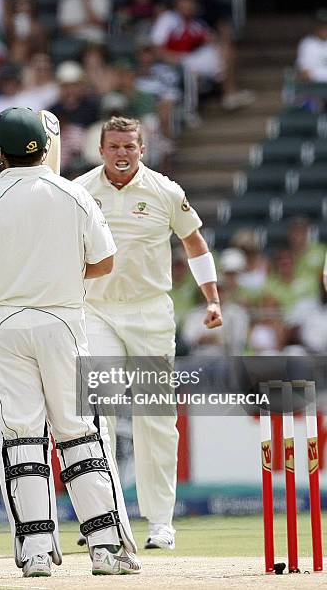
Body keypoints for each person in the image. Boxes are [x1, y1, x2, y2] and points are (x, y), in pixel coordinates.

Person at [0, 107, 141, 578]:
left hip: (5, 324)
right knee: (79, 432)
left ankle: (36, 552)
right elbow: (103, 263)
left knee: (21, 435)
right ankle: (106, 548)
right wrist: (57, 277)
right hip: (63, 321)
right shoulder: (74, 195)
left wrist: (15, 281)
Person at [75, 116, 222, 549]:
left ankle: (160, 522)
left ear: (143, 149)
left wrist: (212, 298)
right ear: (101, 150)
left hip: (150, 313)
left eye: (130, 147)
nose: (122, 154)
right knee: (95, 410)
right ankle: (103, 516)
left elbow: (195, 243)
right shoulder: (80, 192)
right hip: (96, 310)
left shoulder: (165, 190)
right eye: (114, 146)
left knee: (156, 416)